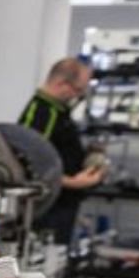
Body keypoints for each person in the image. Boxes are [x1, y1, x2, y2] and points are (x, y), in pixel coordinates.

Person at [19, 57, 102, 246]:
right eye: (78, 90)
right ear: (62, 84)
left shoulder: (58, 111)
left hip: (63, 206)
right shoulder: (41, 112)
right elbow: (27, 163)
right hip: (48, 208)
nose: (78, 96)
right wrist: (72, 182)